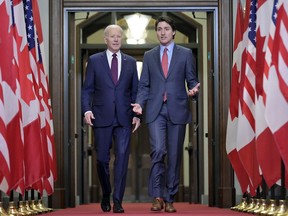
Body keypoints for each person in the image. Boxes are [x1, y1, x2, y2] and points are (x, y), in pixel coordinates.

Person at [131, 16, 200, 213]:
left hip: (177, 110)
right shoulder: (149, 55)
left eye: (166, 29)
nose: (162, 32)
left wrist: (194, 92)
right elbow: (144, 84)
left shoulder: (186, 54)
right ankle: (157, 196)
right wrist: (140, 104)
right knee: (158, 151)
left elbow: (192, 81)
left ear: (173, 32)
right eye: (159, 29)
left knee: (175, 155)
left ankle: (170, 198)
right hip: (155, 111)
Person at [81, 24, 140, 213]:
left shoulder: (130, 62)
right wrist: (86, 111)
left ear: (122, 39)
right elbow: (87, 90)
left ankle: (118, 201)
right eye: (112, 36)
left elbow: (135, 92)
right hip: (102, 117)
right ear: (105, 39)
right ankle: (106, 192)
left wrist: (137, 115)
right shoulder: (94, 60)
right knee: (101, 160)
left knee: (122, 159)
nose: (116, 39)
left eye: (119, 36)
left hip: (124, 119)